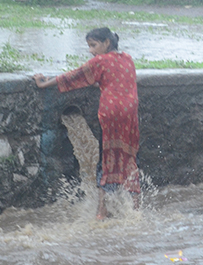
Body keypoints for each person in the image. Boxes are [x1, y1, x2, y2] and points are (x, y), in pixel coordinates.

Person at [34, 28, 140, 220]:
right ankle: (136, 210)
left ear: (107, 43)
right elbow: (115, 80)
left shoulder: (100, 61)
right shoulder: (127, 59)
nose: (91, 50)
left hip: (111, 114)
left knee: (106, 161)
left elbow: (74, 77)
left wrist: (44, 84)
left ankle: (101, 212)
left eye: (94, 45)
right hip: (130, 114)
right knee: (129, 157)